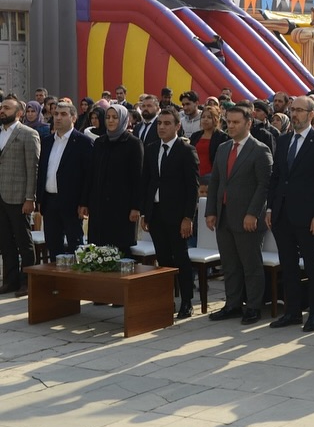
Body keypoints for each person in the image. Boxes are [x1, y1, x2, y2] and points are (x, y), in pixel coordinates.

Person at [267, 96, 314, 332]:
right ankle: (292, 312)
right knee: (288, 265)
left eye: (298, 110)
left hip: (308, 217)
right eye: (292, 109)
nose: (294, 114)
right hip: (282, 215)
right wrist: (270, 208)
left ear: (310, 113)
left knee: (312, 265)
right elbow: (276, 177)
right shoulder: (284, 140)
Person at [205, 105, 273, 325]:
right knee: (230, 264)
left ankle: (253, 306)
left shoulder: (260, 150)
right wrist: (211, 211)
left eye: (236, 122)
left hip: (247, 219)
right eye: (228, 122)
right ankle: (233, 304)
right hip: (224, 217)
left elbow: (264, 186)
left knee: (250, 264)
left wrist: (253, 213)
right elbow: (215, 181)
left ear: (248, 123)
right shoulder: (224, 148)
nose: (231, 126)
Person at [140, 107, 199, 319]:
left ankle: (186, 301)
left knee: (181, 257)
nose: (162, 127)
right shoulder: (152, 148)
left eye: (167, 123)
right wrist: (145, 213)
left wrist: (187, 217)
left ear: (177, 126)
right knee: (163, 259)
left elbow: (192, 188)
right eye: (159, 123)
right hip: (155, 213)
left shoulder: (185, 151)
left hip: (176, 215)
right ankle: (166, 298)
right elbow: (147, 182)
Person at [82, 104, 144, 260]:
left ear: (123, 119)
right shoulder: (100, 142)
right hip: (99, 204)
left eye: (115, 117)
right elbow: (90, 174)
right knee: (97, 250)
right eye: (108, 117)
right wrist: (85, 202)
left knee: (119, 250)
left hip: (122, 207)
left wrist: (136, 206)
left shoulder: (133, 143)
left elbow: (138, 178)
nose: (110, 121)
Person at [37, 100, 92, 261]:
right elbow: (42, 171)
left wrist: (84, 202)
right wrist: (40, 198)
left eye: (63, 114)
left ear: (73, 118)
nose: (58, 118)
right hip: (50, 201)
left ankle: (77, 284)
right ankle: (56, 284)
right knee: (54, 245)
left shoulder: (83, 142)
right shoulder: (47, 141)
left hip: (72, 203)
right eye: (56, 114)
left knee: (76, 246)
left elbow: (88, 176)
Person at [0, 99, 41, 296]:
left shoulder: (28, 134)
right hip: (1, 196)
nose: (2, 110)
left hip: (18, 197)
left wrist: (29, 198)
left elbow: (32, 169)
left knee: (24, 241)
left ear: (18, 113)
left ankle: (27, 281)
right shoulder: (0, 133)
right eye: (1, 107)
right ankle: (11, 280)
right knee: (5, 241)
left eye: (6, 108)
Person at [189, 105, 226, 187]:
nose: (205, 119)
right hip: (195, 175)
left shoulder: (222, 137)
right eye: (203, 117)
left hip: (212, 177)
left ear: (215, 119)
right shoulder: (195, 136)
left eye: (209, 117)